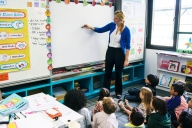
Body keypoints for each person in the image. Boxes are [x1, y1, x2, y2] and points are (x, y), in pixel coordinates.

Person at [83, 10, 131, 99]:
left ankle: (118, 92)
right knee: (107, 73)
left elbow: (128, 46)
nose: (114, 19)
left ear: (121, 19)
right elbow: (100, 30)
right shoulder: (112, 25)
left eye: (116, 18)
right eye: (114, 18)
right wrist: (90, 27)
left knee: (118, 74)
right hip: (110, 51)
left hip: (119, 53)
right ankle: (106, 92)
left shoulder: (126, 30)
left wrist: (127, 59)